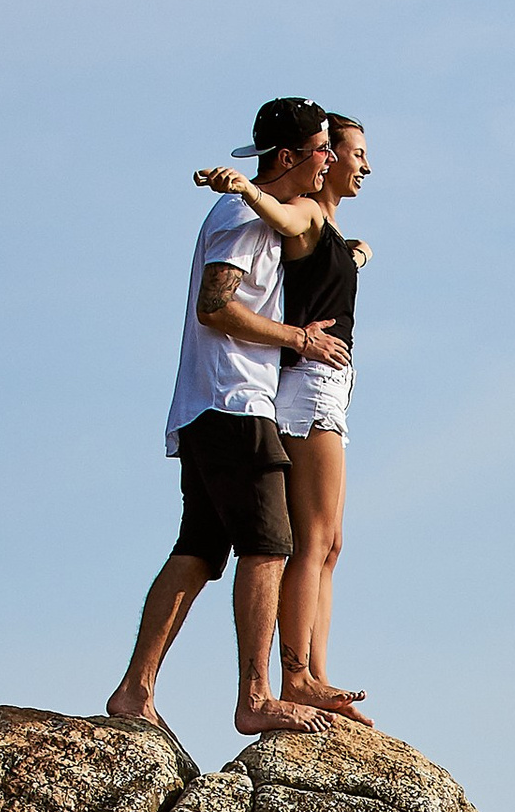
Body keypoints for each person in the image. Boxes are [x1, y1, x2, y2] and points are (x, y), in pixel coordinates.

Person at [105, 96, 354, 736]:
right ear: (292, 157)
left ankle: (134, 690)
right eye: (323, 149)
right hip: (233, 402)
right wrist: (298, 339)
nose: (329, 161)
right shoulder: (243, 219)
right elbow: (214, 307)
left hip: (210, 406)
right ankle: (255, 696)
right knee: (271, 545)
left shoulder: (257, 215)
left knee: (199, 549)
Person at [194, 109, 370, 722]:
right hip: (303, 386)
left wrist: (357, 255)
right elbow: (282, 217)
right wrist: (246, 187)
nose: (356, 165)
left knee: (329, 542)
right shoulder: (295, 213)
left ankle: (313, 672)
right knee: (307, 539)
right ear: (304, 156)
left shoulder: (330, 230)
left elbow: (319, 259)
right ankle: (297, 676)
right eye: (343, 151)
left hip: (323, 383)